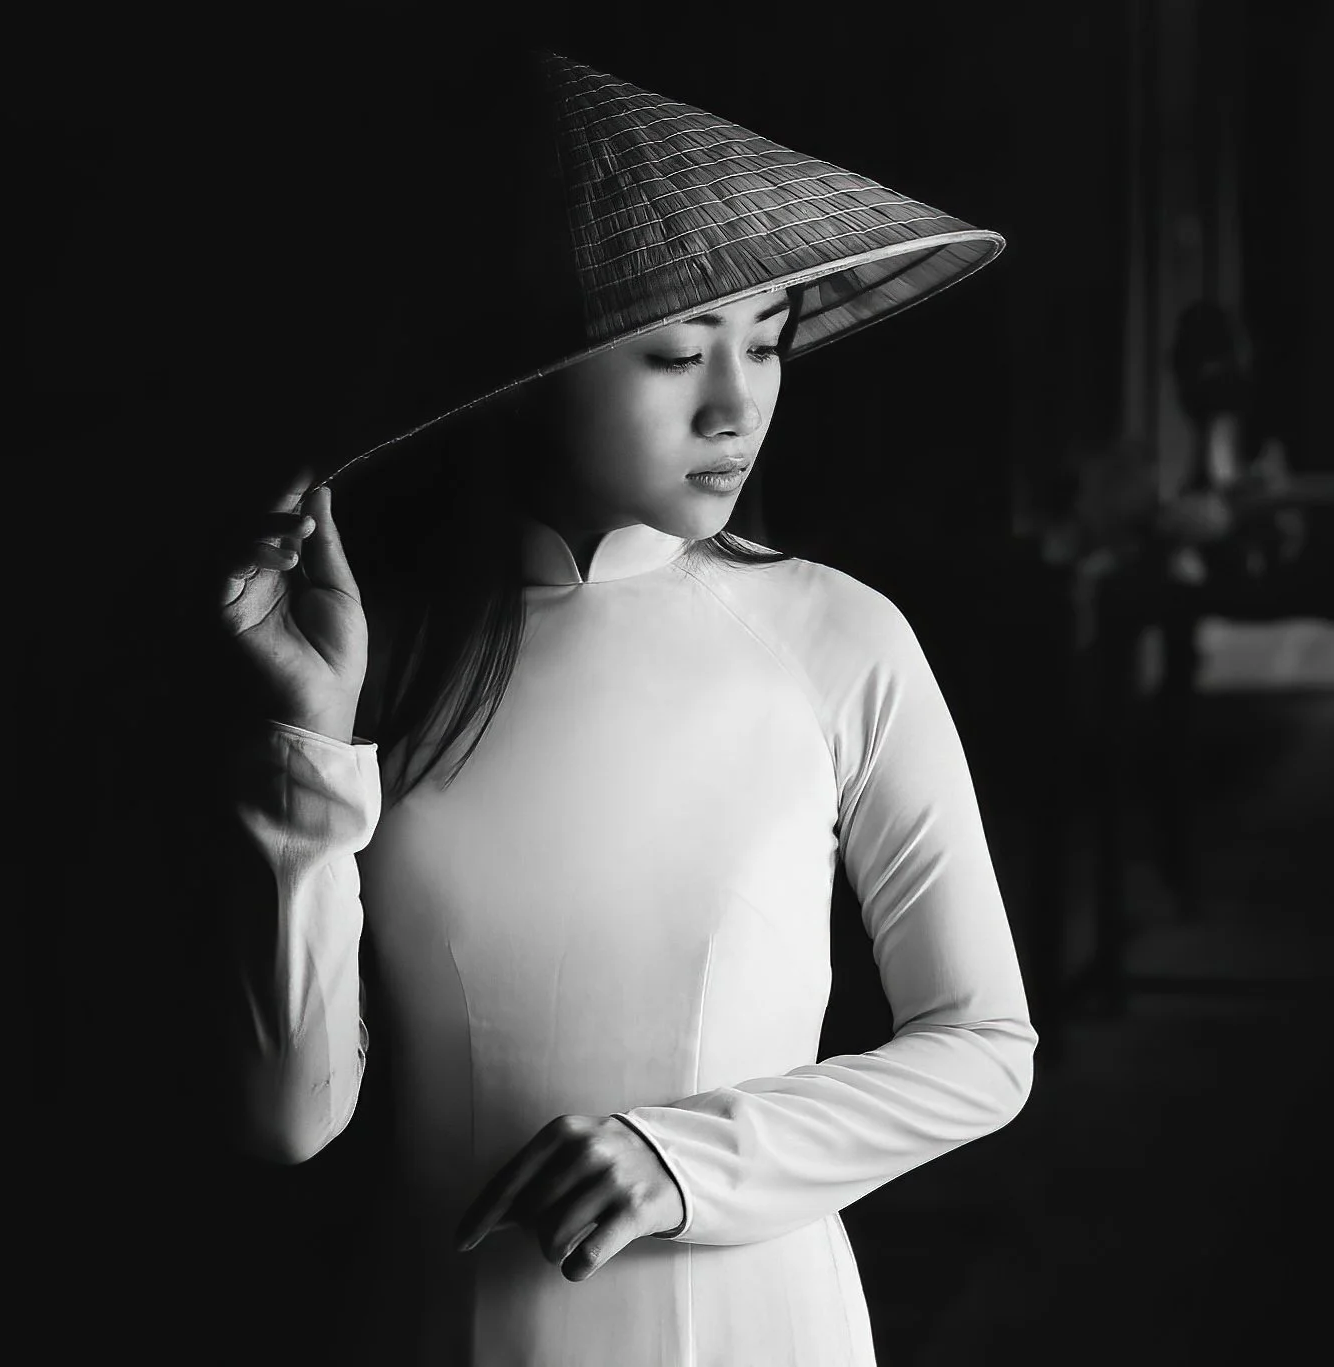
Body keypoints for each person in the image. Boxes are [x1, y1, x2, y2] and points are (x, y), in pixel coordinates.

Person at [214, 51, 1033, 1365]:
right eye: (674, 352)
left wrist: (690, 1153)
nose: (737, 403)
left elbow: (988, 1046)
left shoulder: (837, 638)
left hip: (758, 1322)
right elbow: (289, 1117)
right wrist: (310, 746)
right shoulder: (385, 656)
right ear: (533, 368)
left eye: (768, 341)